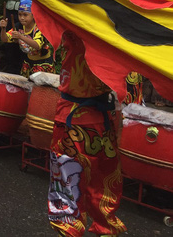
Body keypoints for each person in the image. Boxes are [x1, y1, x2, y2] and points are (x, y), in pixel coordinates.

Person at [47, 31, 127, 237]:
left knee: (91, 177)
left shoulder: (83, 19)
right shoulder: (112, 27)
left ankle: (100, 228)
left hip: (95, 116)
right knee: (81, 178)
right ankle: (99, 228)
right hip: (80, 115)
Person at [0, 0, 55, 77]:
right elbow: (4, 39)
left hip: (43, 62)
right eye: (20, 15)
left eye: (25, 15)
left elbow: (37, 45)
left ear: (33, 15)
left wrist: (20, 36)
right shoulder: (18, 26)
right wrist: (3, 28)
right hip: (28, 61)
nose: (22, 18)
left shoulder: (39, 27)